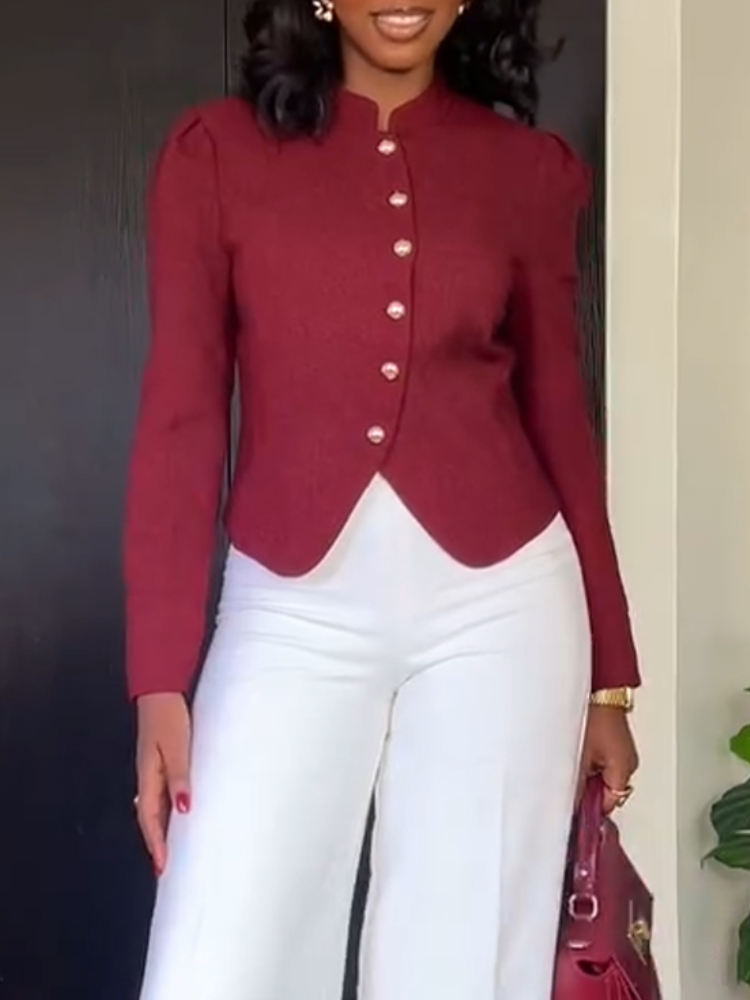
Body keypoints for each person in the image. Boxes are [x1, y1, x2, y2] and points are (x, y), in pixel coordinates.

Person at [124, 1, 641, 998]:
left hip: (504, 607)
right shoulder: (214, 156)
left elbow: (562, 422)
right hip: (291, 606)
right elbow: (181, 420)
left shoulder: (526, 171)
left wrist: (608, 681)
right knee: (217, 956)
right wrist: (158, 680)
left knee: (462, 963)